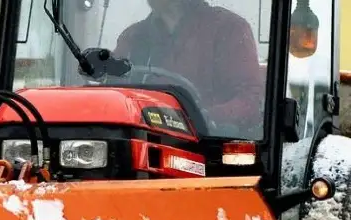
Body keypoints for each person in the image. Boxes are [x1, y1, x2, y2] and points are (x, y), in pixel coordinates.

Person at [113, 0, 264, 133]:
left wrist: (199, 118)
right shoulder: (133, 37)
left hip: (206, 147)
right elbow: (113, 95)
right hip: (141, 141)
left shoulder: (228, 28)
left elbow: (250, 100)